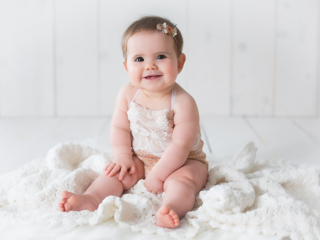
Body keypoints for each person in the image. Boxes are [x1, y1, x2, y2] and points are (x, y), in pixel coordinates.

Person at [59, 15, 208, 229]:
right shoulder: (128, 94)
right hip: (142, 157)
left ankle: (172, 207)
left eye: (161, 56)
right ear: (126, 67)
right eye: (139, 59)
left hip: (184, 161)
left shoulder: (184, 102)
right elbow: (120, 127)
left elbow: (181, 146)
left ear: (180, 62)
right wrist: (122, 157)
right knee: (116, 173)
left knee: (183, 182)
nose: (150, 66)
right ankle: (91, 198)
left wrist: (158, 175)